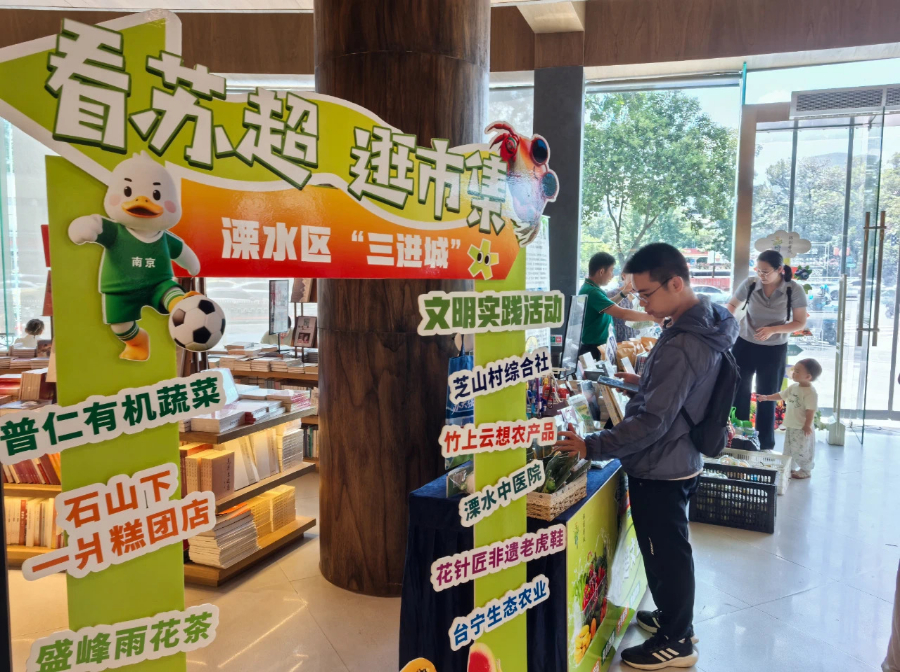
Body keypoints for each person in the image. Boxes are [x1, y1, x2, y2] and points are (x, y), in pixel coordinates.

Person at [558, 243, 739, 669]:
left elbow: (654, 422)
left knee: (666, 554)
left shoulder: (682, 343)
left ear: (675, 283)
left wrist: (591, 445)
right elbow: (685, 390)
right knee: (668, 550)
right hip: (680, 456)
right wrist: (643, 380)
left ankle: (677, 641)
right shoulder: (705, 323)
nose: (642, 303)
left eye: (646, 293)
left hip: (662, 464)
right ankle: (674, 617)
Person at [725, 249, 808, 451]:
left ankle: (764, 444)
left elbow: (800, 322)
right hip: (744, 344)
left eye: (765, 271)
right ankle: (738, 437)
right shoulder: (751, 284)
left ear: (779, 269)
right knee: (739, 390)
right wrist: (729, 323)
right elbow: (732, 304)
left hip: (774, 349)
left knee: (768, 395)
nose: (761, 275)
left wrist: (773, 330)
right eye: (758, 270)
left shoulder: (793, 289)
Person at [579, 252, 653, 360]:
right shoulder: (593, 292)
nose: (613, 275)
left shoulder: (590, 288)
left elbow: (608, 304)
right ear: (601, 271)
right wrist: (653, 316)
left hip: (597, 346)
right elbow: (623, 313)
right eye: (611, 270)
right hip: (595, 348)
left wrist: (623, 293)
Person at [757, 357, 820, 479]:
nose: (793, 373)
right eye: (794, 370)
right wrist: (766, 397)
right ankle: (789, 467)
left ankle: (806, 470)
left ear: (808, 377)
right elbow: (781, 395)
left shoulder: (811, 392)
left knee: (802, 450)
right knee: (789, 448)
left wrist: (807, 425)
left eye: (797, 371)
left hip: (802, 427)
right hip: (791, 424)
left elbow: (810, 410)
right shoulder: (794, 387)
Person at [606, 271, 639, 343]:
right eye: (634, 276)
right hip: (616, 342)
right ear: (624, 276)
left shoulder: (639, 296)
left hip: (632, 342)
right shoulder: (612, 294)